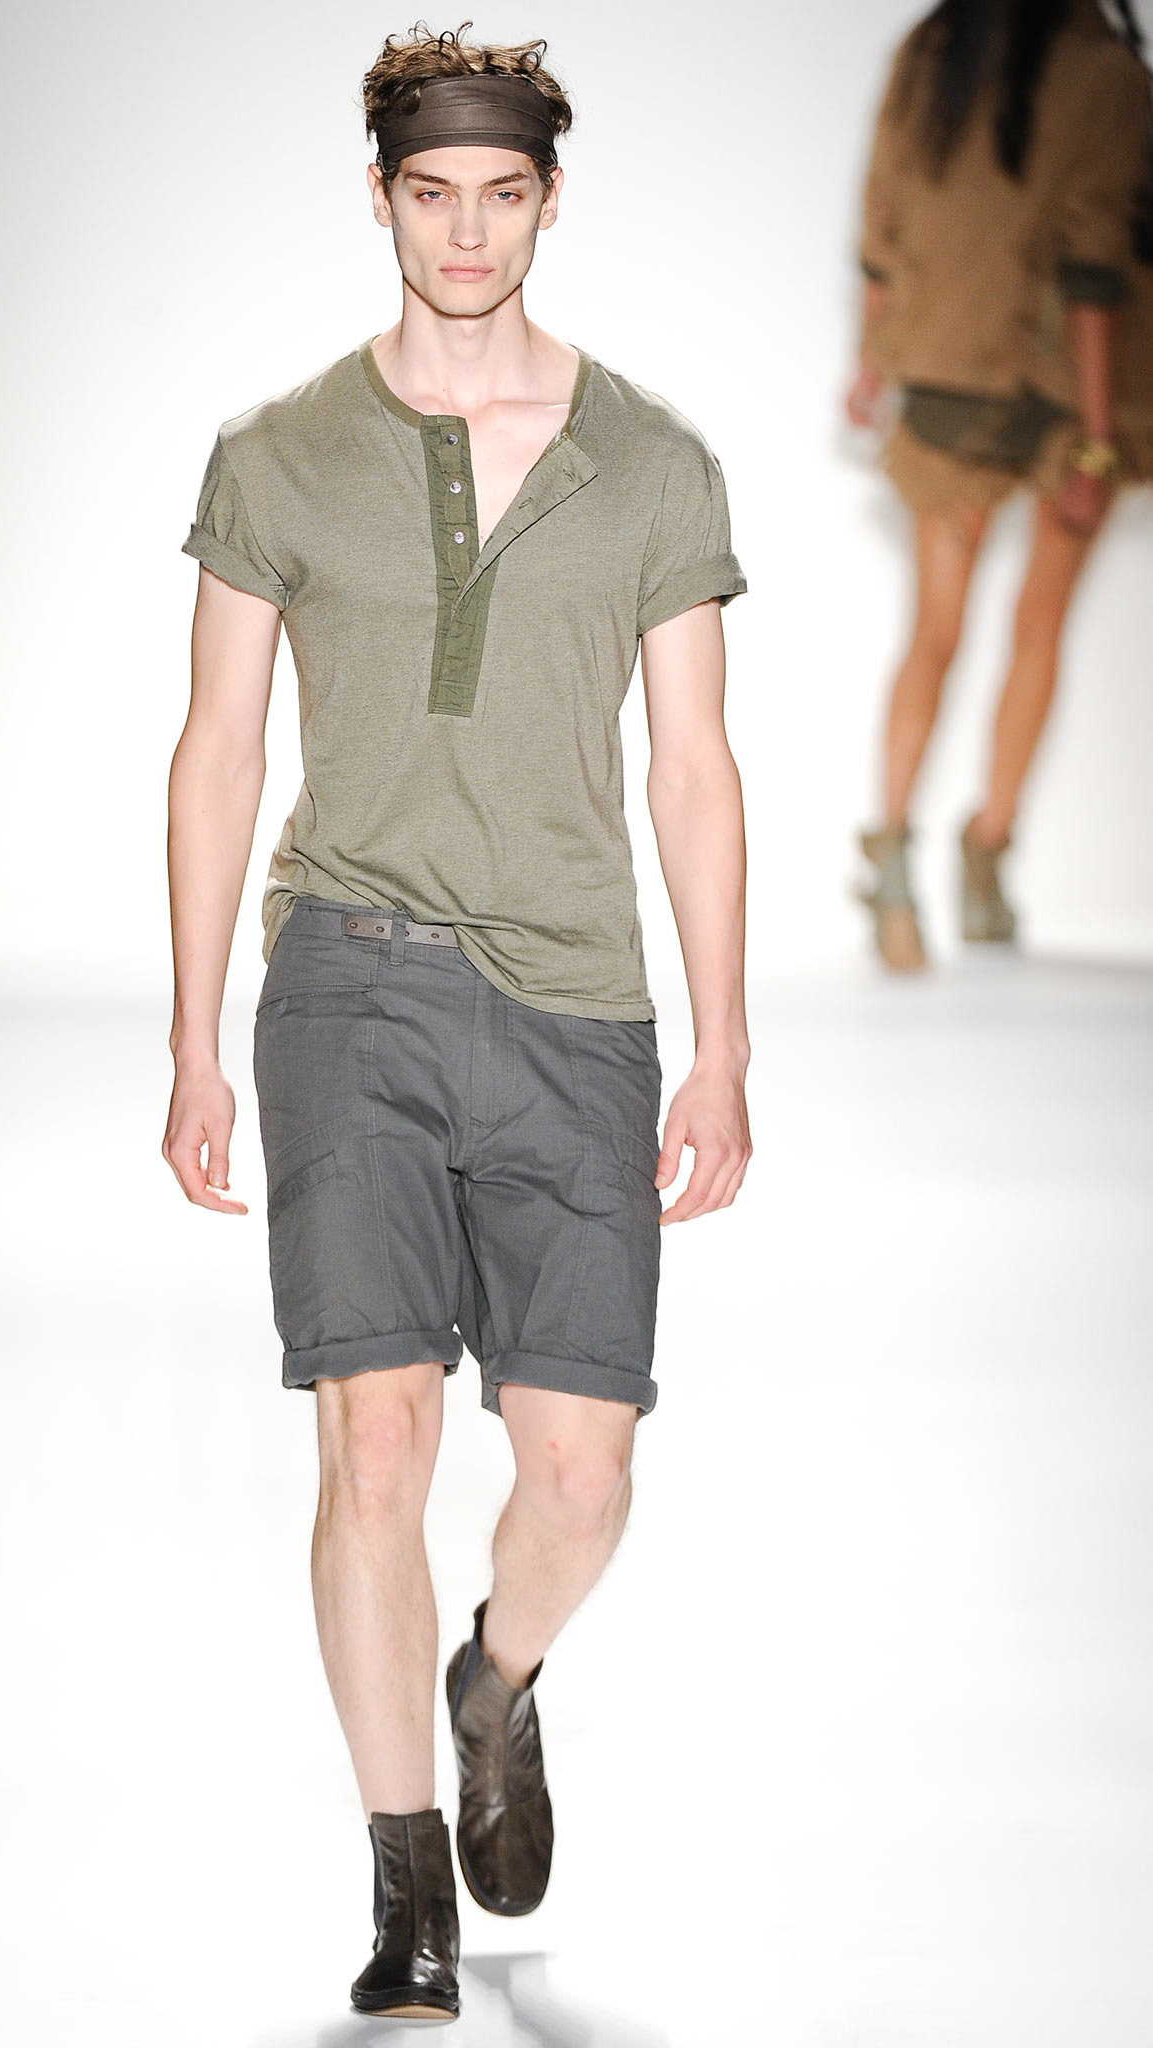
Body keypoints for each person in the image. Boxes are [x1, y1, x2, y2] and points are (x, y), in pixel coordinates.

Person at [161, 22, 751, 2024]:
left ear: (549, 201)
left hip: (577, 1001)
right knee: (375, 1438)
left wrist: (723, 1039)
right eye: (433, 193)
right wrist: (192, 1032)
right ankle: (406, 1880)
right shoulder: (276, 455)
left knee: (579, 1475)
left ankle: (494, 1677)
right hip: (349, 978)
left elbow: (693, 767)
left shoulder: (651, 461)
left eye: (502, 194)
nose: (468, 230)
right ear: (382, 199)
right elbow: (217, 749)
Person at [847, 0, 1152, 971]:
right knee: (1038, 627)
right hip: (1070, 388)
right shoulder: (1106, 73)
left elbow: (883, 214)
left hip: (947, 370)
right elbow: (1096, 265)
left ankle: (894, 860)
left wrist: (869, 359)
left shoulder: (936, 46)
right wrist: (1098, 441)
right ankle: (985, 858)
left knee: (934, 632)